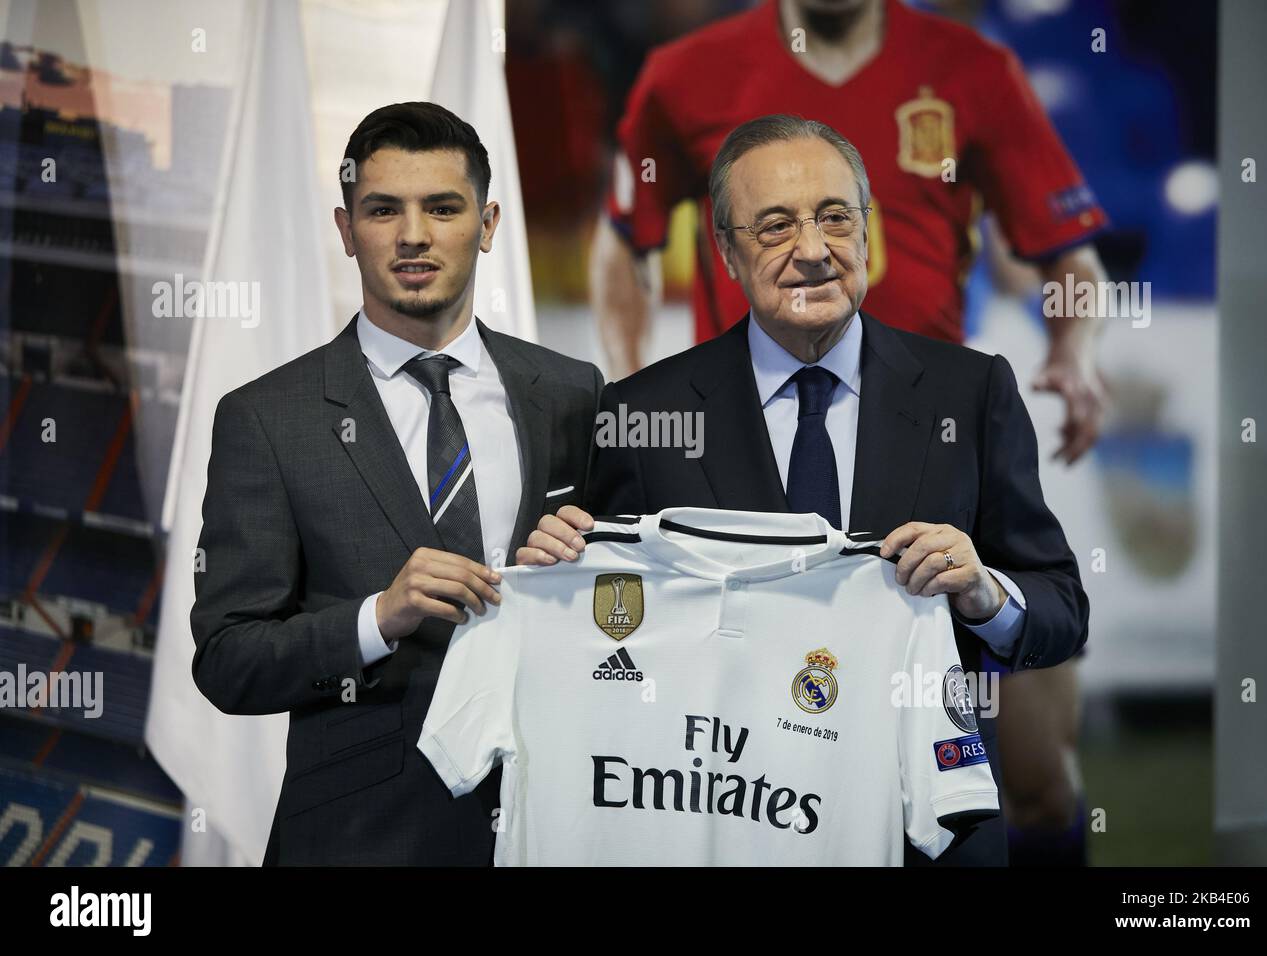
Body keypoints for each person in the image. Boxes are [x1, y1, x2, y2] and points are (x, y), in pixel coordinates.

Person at [593, 0, 1107, 865]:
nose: (813, 247)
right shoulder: (684, 77)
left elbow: (1070, 259)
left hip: (941, 458)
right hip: (733, 463)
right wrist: (629, 385)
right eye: (776, 225)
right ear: (727, 249)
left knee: (1039, 776)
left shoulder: (974, 70)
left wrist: (1078, 351)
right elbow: (624, 244)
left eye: (837, 218)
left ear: (862, 227)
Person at [190, 102, 602, 865]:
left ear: (486, 224)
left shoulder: (574, 392)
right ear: (347, 231)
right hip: (358, 841)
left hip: (551, 824)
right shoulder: (268, 419)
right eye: (384, 210)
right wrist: (378, 618)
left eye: (442, 208)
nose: (414, 235)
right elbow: (228, 659)